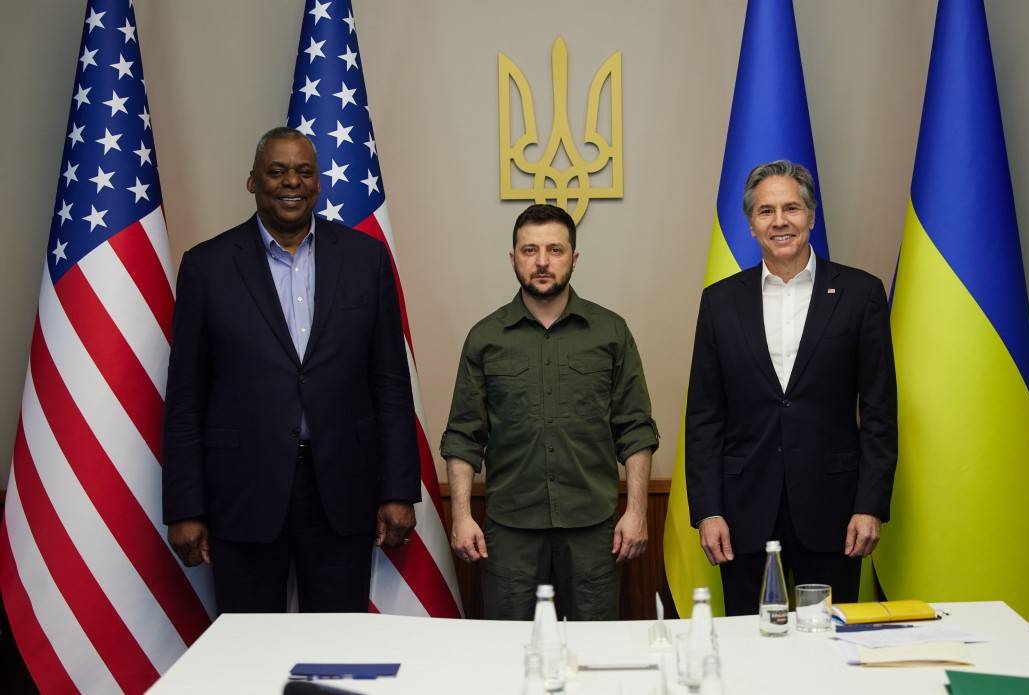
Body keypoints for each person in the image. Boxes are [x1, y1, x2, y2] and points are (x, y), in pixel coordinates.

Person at [162, 127, 419, 613]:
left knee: (337, 643)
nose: (291, 183)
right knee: (250, 642)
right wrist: (185, 506)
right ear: (252, 181)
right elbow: (185, 397)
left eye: (303, 172)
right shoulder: (207, 267)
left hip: (342, 489)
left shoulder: (365, 259)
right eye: (277, 171)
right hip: (243, 491)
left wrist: (399, 490)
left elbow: (389, 382)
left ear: (318, 183)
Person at [685, 160, 897, 616]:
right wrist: (708, 511)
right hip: (742, 515)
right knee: (750, 642)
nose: (779, 221)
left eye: (791, 208)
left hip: (835, 511)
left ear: (811, 216)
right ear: (751, 224)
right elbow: (704, 415)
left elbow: (879, 410)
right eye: (766, 211)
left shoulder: (860, 294)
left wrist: (870, 505)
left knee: (828, 641)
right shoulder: (720, 301)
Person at [441, 203, 659, 620]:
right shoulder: (485, 338)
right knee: (510, 650)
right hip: (510, 532)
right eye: (530, 250)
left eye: (555, 250)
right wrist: (462, 516)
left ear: (574, 258)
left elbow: (635, 430)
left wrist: (636, 512)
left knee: (594, 649)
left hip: (593, 529)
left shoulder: (610, 332)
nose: (542, 262)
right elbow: (464, 436)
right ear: (513, 258)